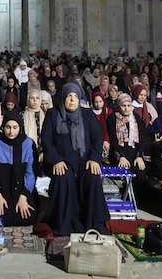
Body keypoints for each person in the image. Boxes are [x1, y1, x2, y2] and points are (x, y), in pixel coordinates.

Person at [41, 82, 110, 236]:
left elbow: (97, 138)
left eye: (75, 96)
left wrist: (93, 158)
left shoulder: (87, 115)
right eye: (69, 96)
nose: (72, 100)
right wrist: (56, 161)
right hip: (62, 162)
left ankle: (95, 223)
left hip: (84, 162)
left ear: (80, 99)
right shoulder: (53, 114)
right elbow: (46, 141)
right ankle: (63, 224)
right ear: (63, 98)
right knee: (63, 178)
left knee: (92, 177)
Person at [0, 109, 37, 226]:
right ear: (3, 126)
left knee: (28, 216)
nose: (11, 132)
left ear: (20, 128)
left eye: (15, 127)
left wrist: (24, 196)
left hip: (20, 189)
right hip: (0, 189)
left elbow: (30, 173)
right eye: (8, 127)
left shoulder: (28, 144)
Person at [22, 88, 48, 175]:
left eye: (37, 98)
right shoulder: (22, 116)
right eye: (32, 98)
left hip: (44, 154)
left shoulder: (46, 116)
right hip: (27, 153)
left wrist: (44, 152)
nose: (34, 100)